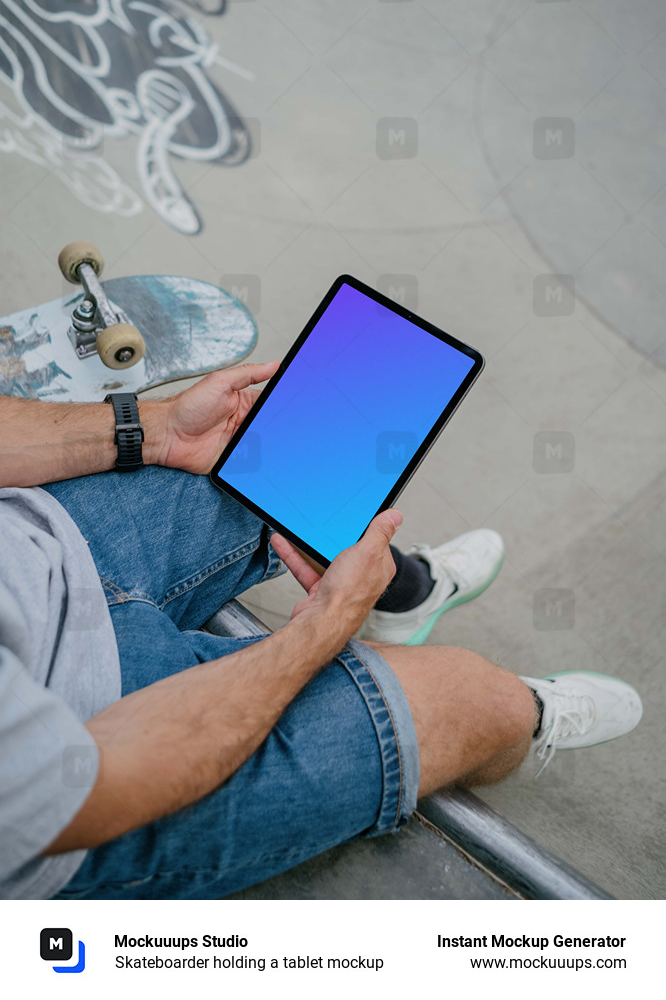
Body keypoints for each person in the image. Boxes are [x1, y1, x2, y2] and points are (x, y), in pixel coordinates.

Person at [0, 363, 643, 899]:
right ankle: (525, 716)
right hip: (78, 770)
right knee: (473, 700)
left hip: (29, 555)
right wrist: (324, 628)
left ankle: (403, 594)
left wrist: (154, 427)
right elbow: (93, 781)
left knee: (286, 457)